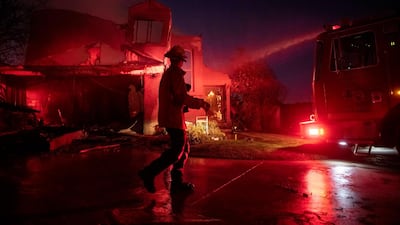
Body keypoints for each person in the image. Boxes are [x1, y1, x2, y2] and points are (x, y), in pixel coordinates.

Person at [139, 45, 210, 194]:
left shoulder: (169, 73)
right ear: (179, 60)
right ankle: (149, 173)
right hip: (173, 118)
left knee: (183, 148)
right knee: (177, 150)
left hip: (174, 117)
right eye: (182, 60)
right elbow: (181, 97)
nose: (182, 63)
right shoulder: (175, 74)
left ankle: (177, 183)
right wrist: (201, 103)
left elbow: (177, 96)